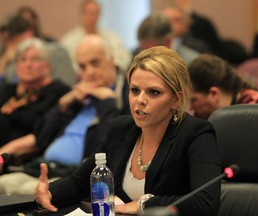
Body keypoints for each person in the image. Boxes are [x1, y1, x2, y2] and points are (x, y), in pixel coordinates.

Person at [34, 46, 221, 216]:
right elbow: (80, 182)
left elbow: (205, 202)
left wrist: (144, 204)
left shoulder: (196, 134)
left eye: (153, 92)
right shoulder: (121, 129)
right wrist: (49, 192)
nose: (140, 100)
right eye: (134, 90)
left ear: (176, 100)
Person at [0, 35, 130, 194]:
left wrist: (106, 101)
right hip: (42, 169)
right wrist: (63, 104)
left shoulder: (126, 97)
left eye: (95, 63)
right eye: (82, 67)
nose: (89, 72)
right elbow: (41, 137)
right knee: (4, 184)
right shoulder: (78, 97)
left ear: (111, 60)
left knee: (20, 192)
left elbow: (109, 147)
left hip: (75, 178)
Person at [0, 38, 70, 146]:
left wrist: (4, 154)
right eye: (22, 59)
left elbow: (45, 134)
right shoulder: (6, 90)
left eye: (34, 60)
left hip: (20, 157)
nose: (28, 65)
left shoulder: (59, 92)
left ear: (48, 66)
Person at [188, 54, 258, 119]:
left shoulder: (257, 108)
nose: (191, 108)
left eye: (194, 100)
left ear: (214, 94)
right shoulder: (202, 115)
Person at [0, 14, 76, 86]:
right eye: (6, 41)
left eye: (13, 39)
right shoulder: (13, 61)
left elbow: (66, 84)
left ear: (28, 33)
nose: (9, 45)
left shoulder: (55, 52)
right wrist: (4, 62)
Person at [60, 0, 131, 71]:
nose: (92, 17)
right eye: (89, 13)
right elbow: (72, 67)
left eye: (95, 13)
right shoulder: (68, 42)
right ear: (82, 14)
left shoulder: (113, 38)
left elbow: (124, 59)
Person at [133, 12, 199, 65]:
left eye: (151, 50)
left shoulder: (191, 63)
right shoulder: (136, 59)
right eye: (143, 49)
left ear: (168, 41)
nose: (145, 55)